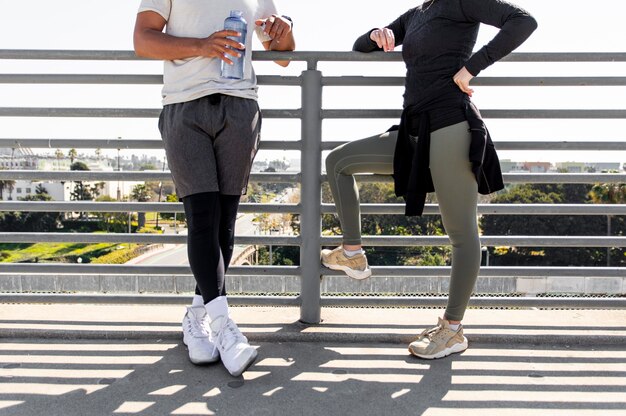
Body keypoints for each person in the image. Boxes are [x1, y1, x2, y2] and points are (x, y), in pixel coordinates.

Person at [322, 0, 536, 359]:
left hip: (451, 125)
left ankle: (452, 331)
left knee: (462, 234)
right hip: (414, 132)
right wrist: (380, 34)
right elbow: (361, 45)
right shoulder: (416, 14)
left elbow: (523, 22)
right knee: (339, 161)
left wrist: (471, 69)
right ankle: (353, 252)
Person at [134, 0, 295, 376]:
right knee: (202, 217)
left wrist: (284, 34)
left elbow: (283, 57)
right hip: (184, 106)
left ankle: (196, 318)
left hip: (240, 107)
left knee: (223, 222)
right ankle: (224, 329)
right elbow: (143, 40)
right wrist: (202, 45)